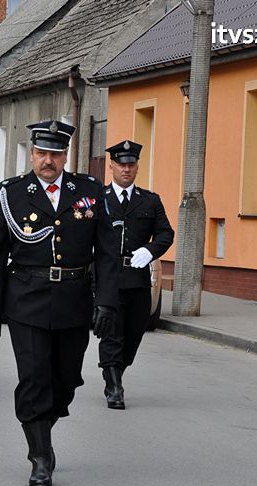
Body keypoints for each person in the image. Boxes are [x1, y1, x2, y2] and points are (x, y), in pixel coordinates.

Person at [0, 120, 118, 486]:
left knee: (66, 380)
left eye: (55, 154)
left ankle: (42, 430)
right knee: (34, 377)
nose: (47, 161)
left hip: (74, 299)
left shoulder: (88, 191)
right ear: (32, 154)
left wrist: (106, 302)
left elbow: (106, 253)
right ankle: (39, 457)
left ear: (65, 155)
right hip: (26, 300)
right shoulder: (12, 193)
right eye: (41, 153)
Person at [97, 140, 174, 410]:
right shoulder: (99, 199)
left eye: (131, 164)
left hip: (138, 278)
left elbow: (166, 233)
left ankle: (116, 370)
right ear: (112, 167)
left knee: (133, 334)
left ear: (137, 167)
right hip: (107, 278)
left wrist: (150, 250)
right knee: (112, 333)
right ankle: (114, 386)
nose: (126, 169)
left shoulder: (149, 201)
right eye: (121, 164)